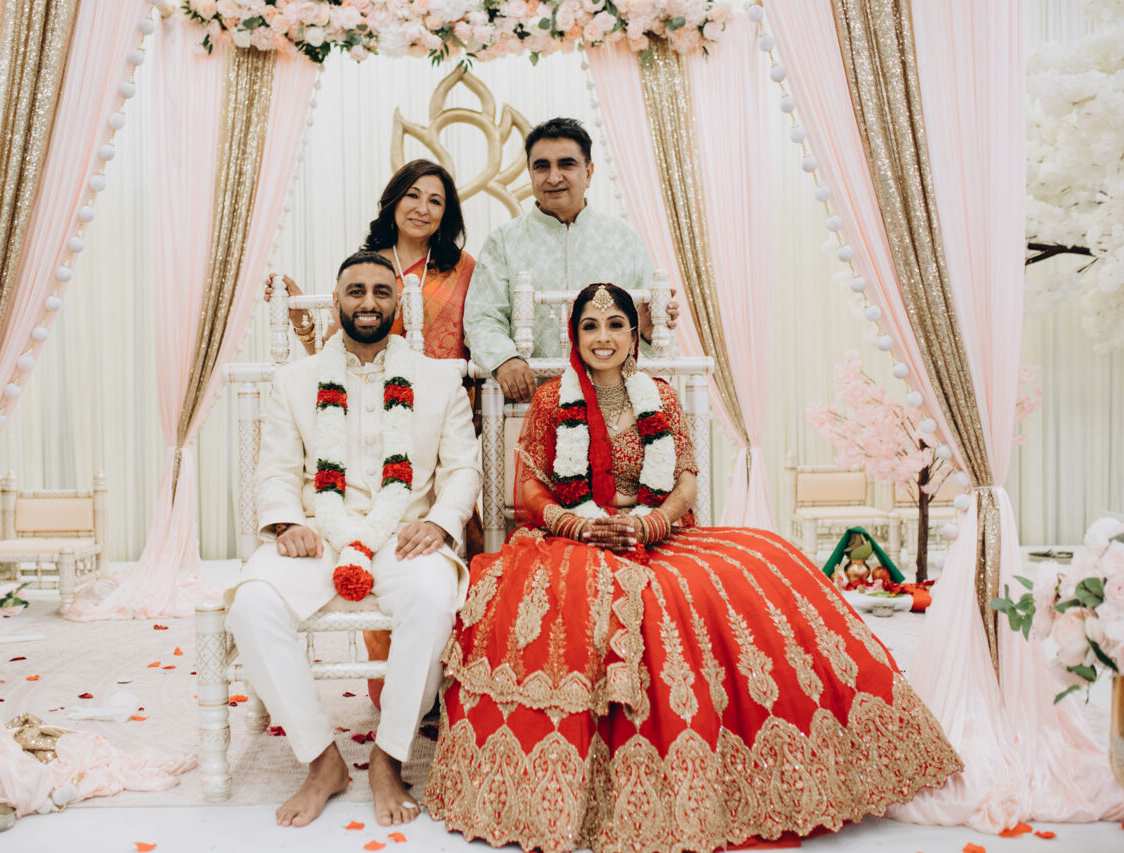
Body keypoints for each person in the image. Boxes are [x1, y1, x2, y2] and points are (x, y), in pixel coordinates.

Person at [424, 283, 961, 852]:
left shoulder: (659, 395)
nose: (602, 337)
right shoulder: (553, 399)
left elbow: (684, 477)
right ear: (573, 336)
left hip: (657, 531)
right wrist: (578, 525)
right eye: (589, 326)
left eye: (614, 324)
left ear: (634, 334)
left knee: (764, 563)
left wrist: (654, 523)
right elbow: (530, 486)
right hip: (574, 537)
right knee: (573, 603)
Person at [227, 251, 481, 829]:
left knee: (432, 598)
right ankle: (322, 761)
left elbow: (463, 469)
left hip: (404, 537)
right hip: (318, 534)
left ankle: (389, 757)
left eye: (380, 292)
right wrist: (286, 522)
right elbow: (275, 470)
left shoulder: (439, 379)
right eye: (356, 291)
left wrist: (440, 522)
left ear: (397, 304)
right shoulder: (294, 381)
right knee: (252, 604)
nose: (368, 302)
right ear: (337, 300)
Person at [463, 117, 680, 402]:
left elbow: (647, 329)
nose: (553, 177)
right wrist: (505, 359)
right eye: (542, 166)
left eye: (566, 164)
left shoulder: (623, 239)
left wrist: (649, 333)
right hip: (530, 404)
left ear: (588, 173)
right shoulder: (504, 241)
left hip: (613, 405)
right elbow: (482, 317)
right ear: (530, 173)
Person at [272, 159, 475, 361]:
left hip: (451, 380)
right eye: (413, 195)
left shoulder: (464, 268)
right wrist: (300, 317)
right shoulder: (363, 269)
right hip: (377, 381)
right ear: (394, 201)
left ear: (445, 214)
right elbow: (329, 357)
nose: (422, 209)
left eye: (435, 201)